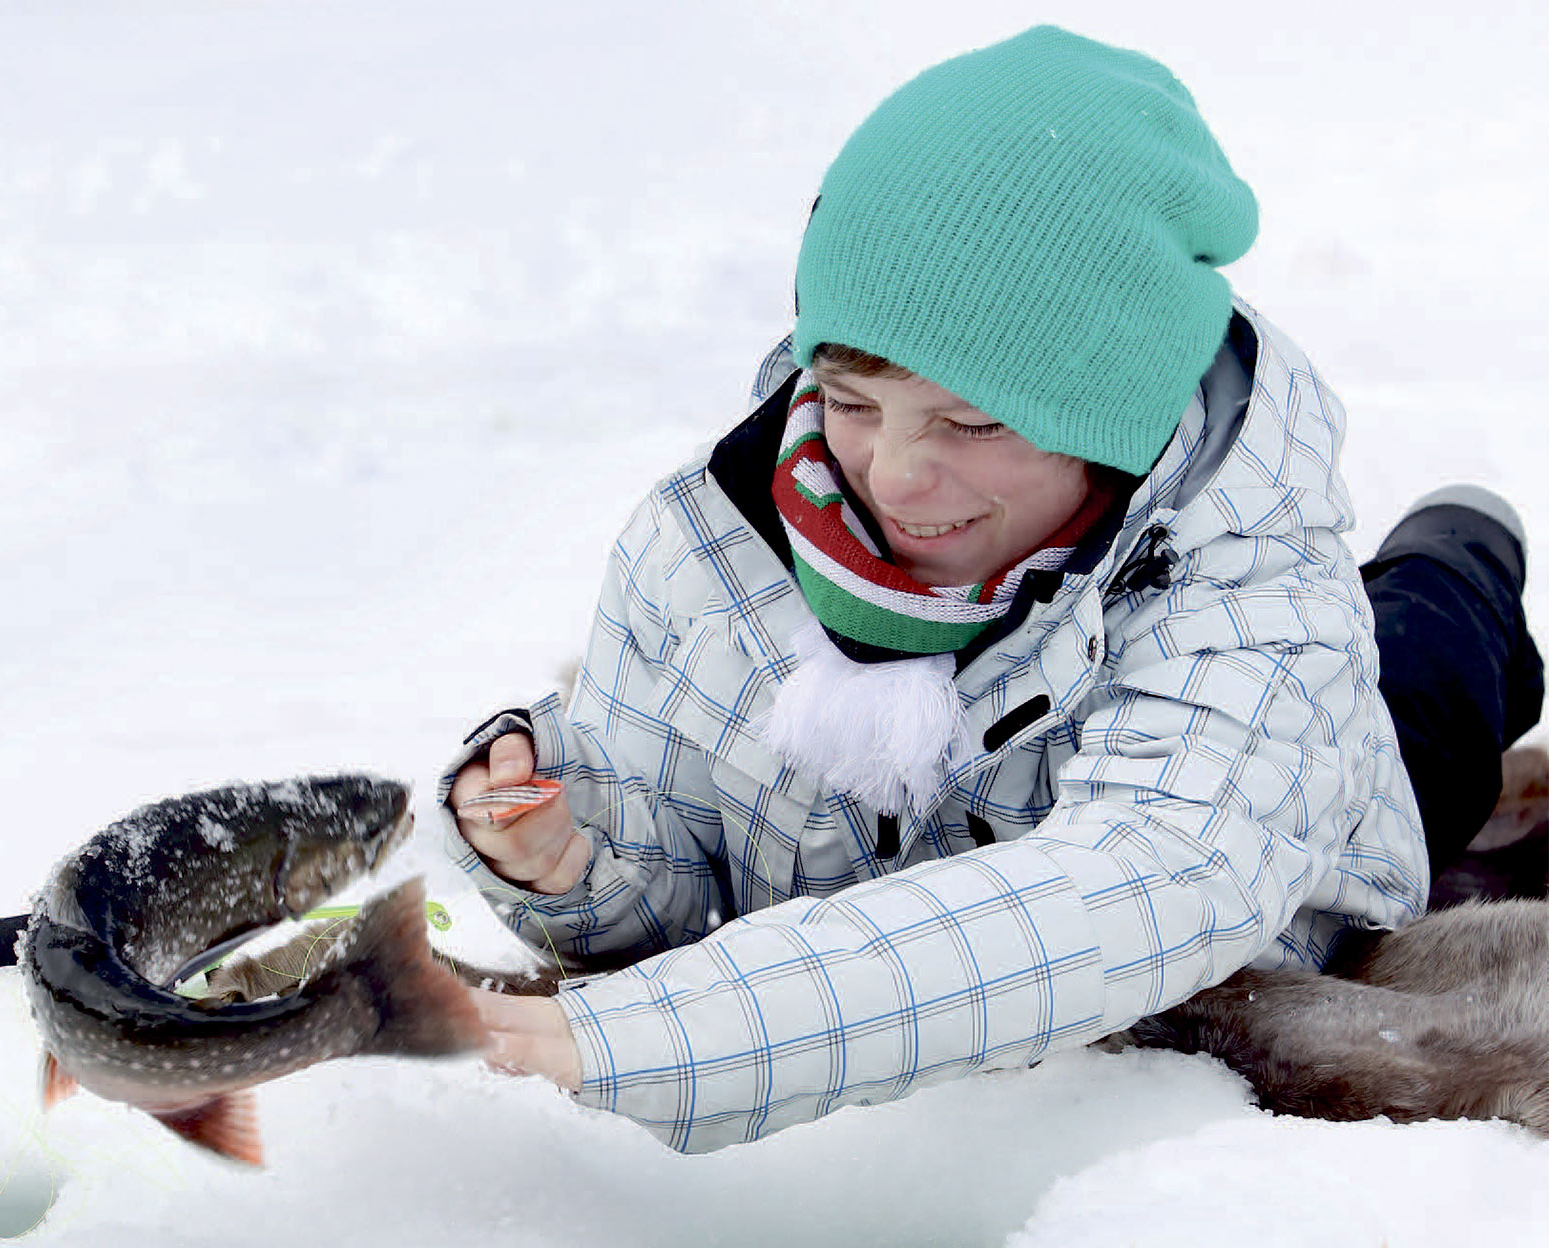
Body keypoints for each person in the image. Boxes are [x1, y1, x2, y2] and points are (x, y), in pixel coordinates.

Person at [437, 25, 1544, 1152]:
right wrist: (578, 865)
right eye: (855, 403)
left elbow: (1130, 895)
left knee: (1421, 672)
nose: (899, 475)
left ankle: (1464, 546)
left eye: (972, 422)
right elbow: (669, 887)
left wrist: (653, 1038)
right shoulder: (703, 547)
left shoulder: (1262, 600)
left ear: (1111, 420)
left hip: (1318, 818)